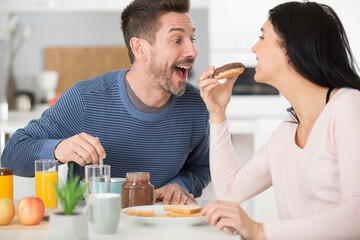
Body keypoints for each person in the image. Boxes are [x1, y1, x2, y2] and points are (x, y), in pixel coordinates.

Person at [2, 0, 210, 205]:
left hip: (163, 226)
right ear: (139, 48)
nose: (192, 51)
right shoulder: (84, 99)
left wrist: (182, 184)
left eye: (192, 38)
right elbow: (12, 155)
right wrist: (58, 149)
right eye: (177, 40)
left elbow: (202, 166)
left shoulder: (197, 106)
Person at [198, 1, 360, 239]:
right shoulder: (286, 133)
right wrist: (218, 114)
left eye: (262, 37)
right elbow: (230, 192)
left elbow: (356, 217)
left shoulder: (348, 106)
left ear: (292, 49)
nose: (254, 48)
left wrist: (259, 231)